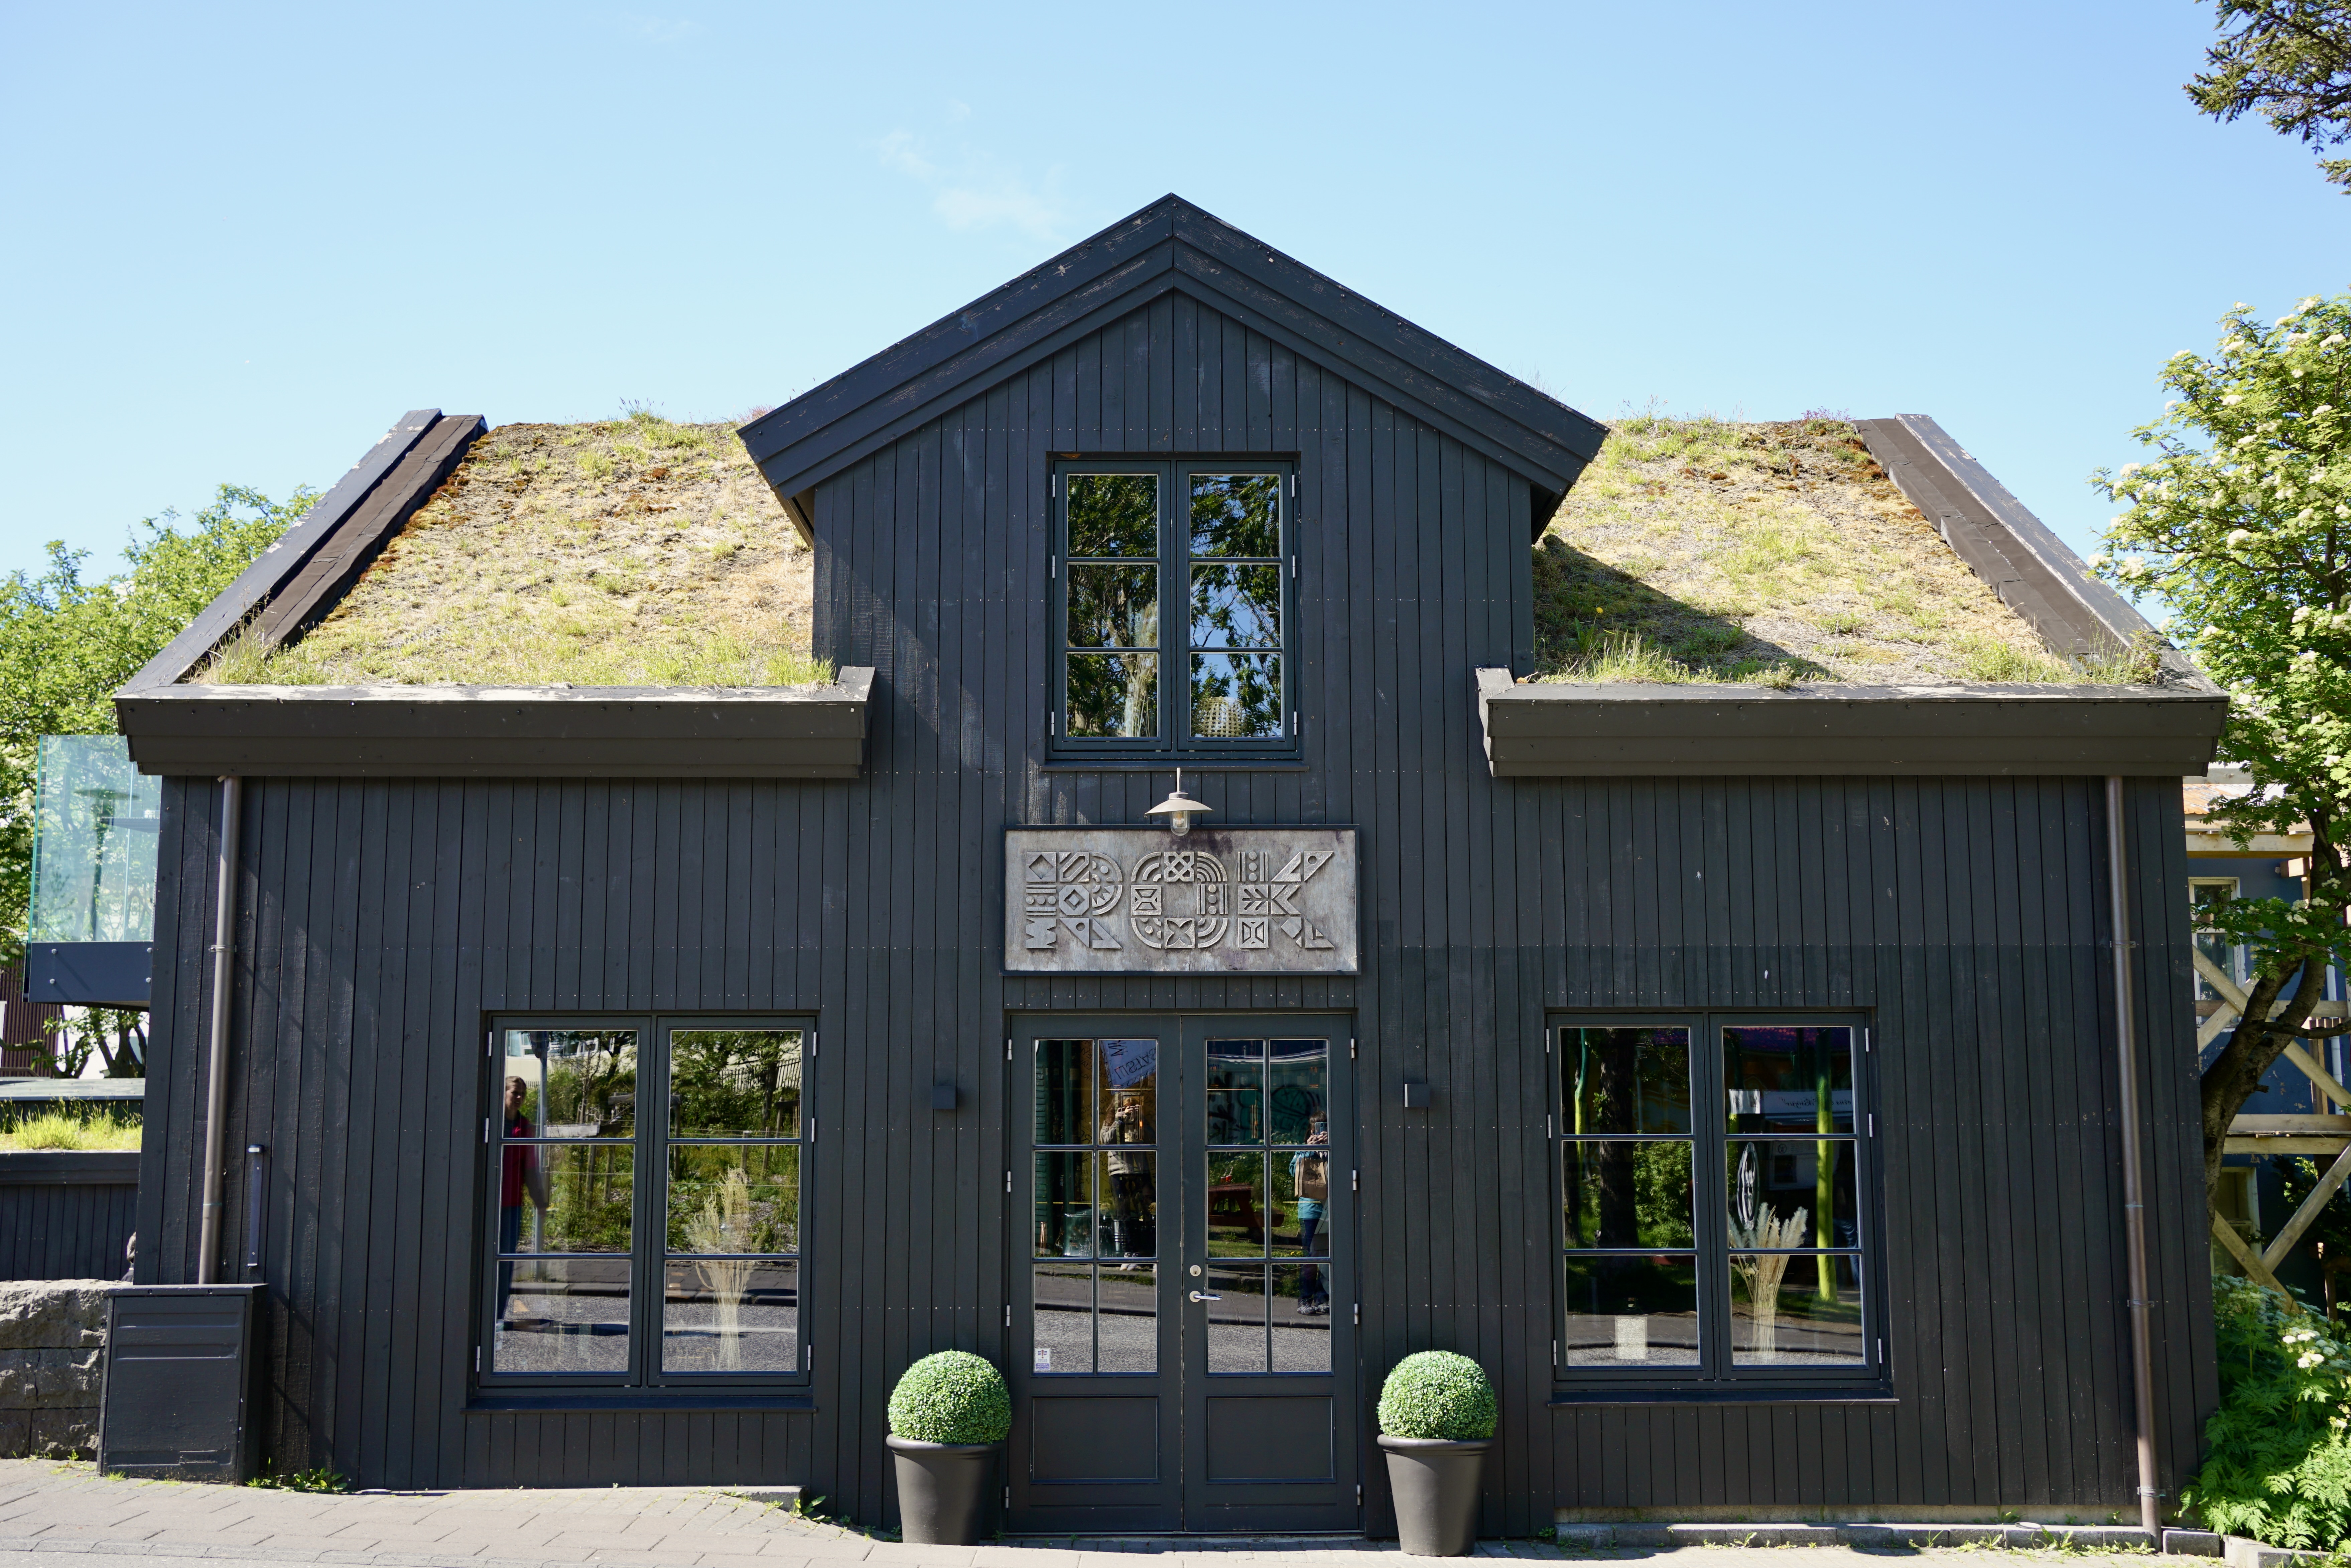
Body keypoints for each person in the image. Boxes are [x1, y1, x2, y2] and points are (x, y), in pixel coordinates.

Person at [499, 1075, 551, 1323]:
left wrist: (540, 1201)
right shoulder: (491, 1123)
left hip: (510, 1204)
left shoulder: (525, 1126)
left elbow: (530, 1168)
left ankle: (497, 1315)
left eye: (523, 1094)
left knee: (505, 1261)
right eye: (514, 1093)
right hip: (486, 1205)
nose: (519, 1098)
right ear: (504, 1094)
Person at [1097, 1089, 1154, 1264]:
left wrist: (1140, 1119)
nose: (1129, 1110)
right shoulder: (1111, 1121)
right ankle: (1128, 1250)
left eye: (1132, 1107)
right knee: (1123, 1212)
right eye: (1125, 1108)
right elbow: (1105, 1141)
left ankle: (1146, 1249)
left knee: (1145, 1210)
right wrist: (1119, 1121)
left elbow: (1154, 1139)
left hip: (1139, 1170)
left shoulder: (1140, 1121)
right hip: (1119, 1170)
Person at [1292, 1120, 1330, 1315]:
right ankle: (1305, 1300)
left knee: (1328, 1257)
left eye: (1324, 1127)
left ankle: (1323, 1298)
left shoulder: (1336, 1145)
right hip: (1311, 1210)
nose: (1320, 1131)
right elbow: (1294, 1172)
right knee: (1311, 1257)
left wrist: (1330, 1146)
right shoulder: (1304, 1149)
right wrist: (1309, 1149)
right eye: (1316, 1127)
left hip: (1332, 1210)